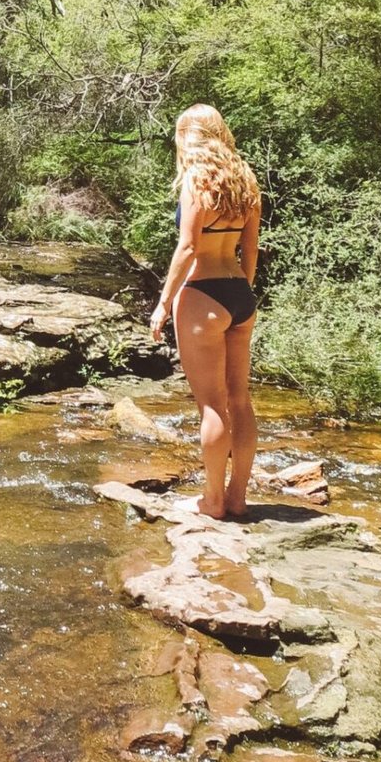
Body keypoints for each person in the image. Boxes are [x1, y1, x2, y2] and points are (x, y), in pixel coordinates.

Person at [148, 104, 261, 520]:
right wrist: (243, 295)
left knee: (212, 405)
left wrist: (162, 303)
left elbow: (189, 247)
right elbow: (250, 249)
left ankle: (212, 503)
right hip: (238, 294)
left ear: (187, 137)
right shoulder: (246, 181)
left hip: (202, 295)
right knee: (240, 400)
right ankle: (237, 497)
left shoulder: (196, 181)